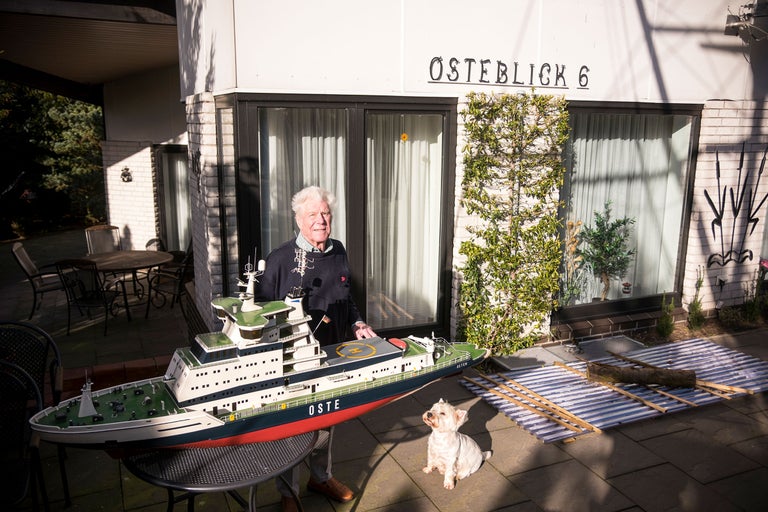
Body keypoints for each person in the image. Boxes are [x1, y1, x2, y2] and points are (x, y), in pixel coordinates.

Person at [255, 185, 376, 512]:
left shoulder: (337, 250)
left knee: (326, 418)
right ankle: (287, 492)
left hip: (333, 351)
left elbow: (346, 296)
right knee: (294, 426)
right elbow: (259, 314)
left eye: (325, 213)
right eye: (313, 215)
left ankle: (320, 477)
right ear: (298, 219)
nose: (321, 220)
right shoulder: (279, 261)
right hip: (293, 359)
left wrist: (357, 323)